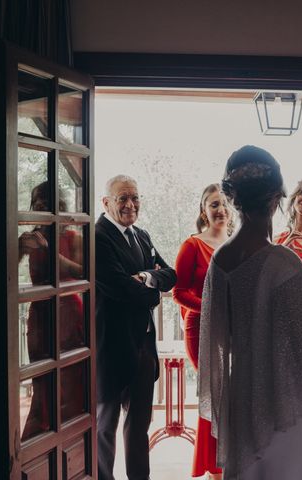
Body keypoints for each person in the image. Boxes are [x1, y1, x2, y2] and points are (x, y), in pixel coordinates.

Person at [198, 146, 302, 480]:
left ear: (233, 199)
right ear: (276, 199)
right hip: (285, 400)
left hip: (242, 393)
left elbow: (218, 337)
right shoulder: (285, 264)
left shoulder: (220, 262)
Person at [95, 174, 177, 480]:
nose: (131, 204)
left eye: (135, 197)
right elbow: (118, 288)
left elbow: (171, 274)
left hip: (144, 344)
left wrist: (145, 279)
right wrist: (153, 290)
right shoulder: (98, 236)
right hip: (111, 345)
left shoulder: (141, 235)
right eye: (122, 199)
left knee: (140, 423)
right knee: (106, 424)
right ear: (106, 202)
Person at [173, 184, 232, 480]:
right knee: (216, 394)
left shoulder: (238, 244)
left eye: (224, 203)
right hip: (201, 330)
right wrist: (211, 309)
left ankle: (229, 464)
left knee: (234, 396)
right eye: (213, 205)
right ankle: (215, 469)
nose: (220, 209)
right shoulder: (192, 245)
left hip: (234, 333)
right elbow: (179, 293)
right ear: (203, 211)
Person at [18, 181, 84, 441]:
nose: (41, 206)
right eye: (36, 202)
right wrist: (20, 248)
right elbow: (7, 273)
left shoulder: (73, 237)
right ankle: (39, 439)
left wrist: (49, 251)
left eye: (47, 201)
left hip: (69, 312)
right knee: (41, 380)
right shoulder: (29, 238)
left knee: (70, 382)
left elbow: (83, 272)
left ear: (59, 205)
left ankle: (70, 439)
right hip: (39, 315)